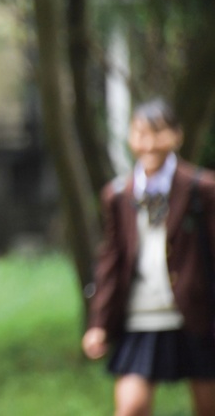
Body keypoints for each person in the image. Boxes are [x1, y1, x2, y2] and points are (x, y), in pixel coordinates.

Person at [82, 98, 215, 416]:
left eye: (158, 133)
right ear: (130, 137)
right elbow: (111, 260)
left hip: (196, 313)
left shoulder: (202, 188)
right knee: (131, 407)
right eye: (141, 133)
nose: (149, 143)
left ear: (176, 136)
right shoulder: (118, 194)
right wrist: (99, 323)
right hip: (140, 315)